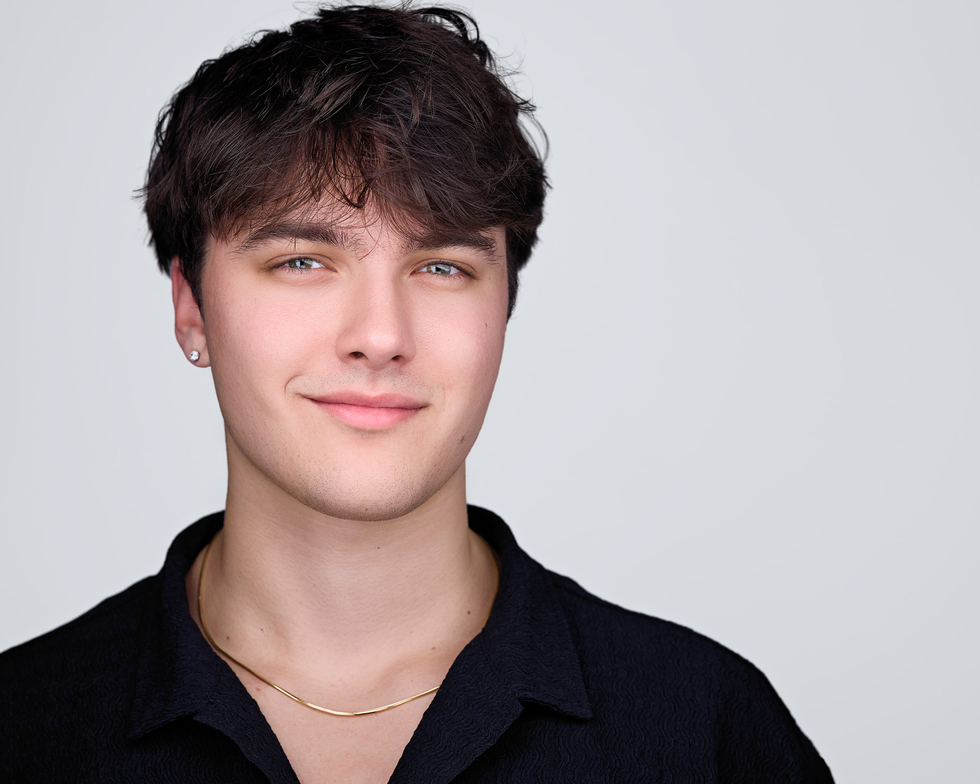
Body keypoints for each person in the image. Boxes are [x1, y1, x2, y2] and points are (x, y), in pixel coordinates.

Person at [0, 4, 833, 782]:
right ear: (192, 307)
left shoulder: (705, 729)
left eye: (441, 267)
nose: (381, 334)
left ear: (504, 307)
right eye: (302, 261)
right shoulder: (24, 726)